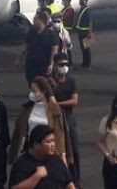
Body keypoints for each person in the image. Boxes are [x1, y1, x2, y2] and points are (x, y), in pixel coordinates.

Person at [8, 76, 73, 167]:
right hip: (29, 152)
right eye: (30, 91)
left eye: (34, 91)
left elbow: (60, 135)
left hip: (49, 153)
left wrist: (63, 157)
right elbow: (18, 133)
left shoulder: (55, 111)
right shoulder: (26, 110)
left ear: (44, 92)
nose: (31, 94)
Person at [8, 125, 76, 189]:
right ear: (36, 145)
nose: (53, 144)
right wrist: (37, 176)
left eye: (53, 141)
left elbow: (69, 184)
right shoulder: (22, 164)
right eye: (48, 142)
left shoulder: (56, 161)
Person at [51, 52, 81, 185]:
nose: (64, 67)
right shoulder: (50, 82)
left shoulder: (71, 81)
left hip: (69, 119)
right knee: (57, 151)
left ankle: (75, 180)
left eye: (66, 64)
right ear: (55, 65)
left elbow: (74, 101)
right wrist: (62, 104)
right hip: (56, 120)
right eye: (61, 64)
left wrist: (57, 104)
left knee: (73, 151)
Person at [16, 12, 59, 85]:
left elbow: (54, 50)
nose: (33, 21)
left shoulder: (51, 34)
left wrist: (52, 63)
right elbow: (25, 47)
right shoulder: (31, 32)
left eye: (35, 19)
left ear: (41, 21)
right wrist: (19, 59)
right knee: (31, 82)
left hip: (44, 65)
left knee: (44, 84)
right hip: (31, 64)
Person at [74, 0, 94, 70]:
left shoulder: (87, 10)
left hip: (86, 33)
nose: (81, 1)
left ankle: (87, 65)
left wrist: (90, 33)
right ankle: (84, 63)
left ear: (86, 1)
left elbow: (90, 22)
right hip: (81, 32)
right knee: (83, 49)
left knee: (86, 49)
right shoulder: (82, 9)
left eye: (82, 0)